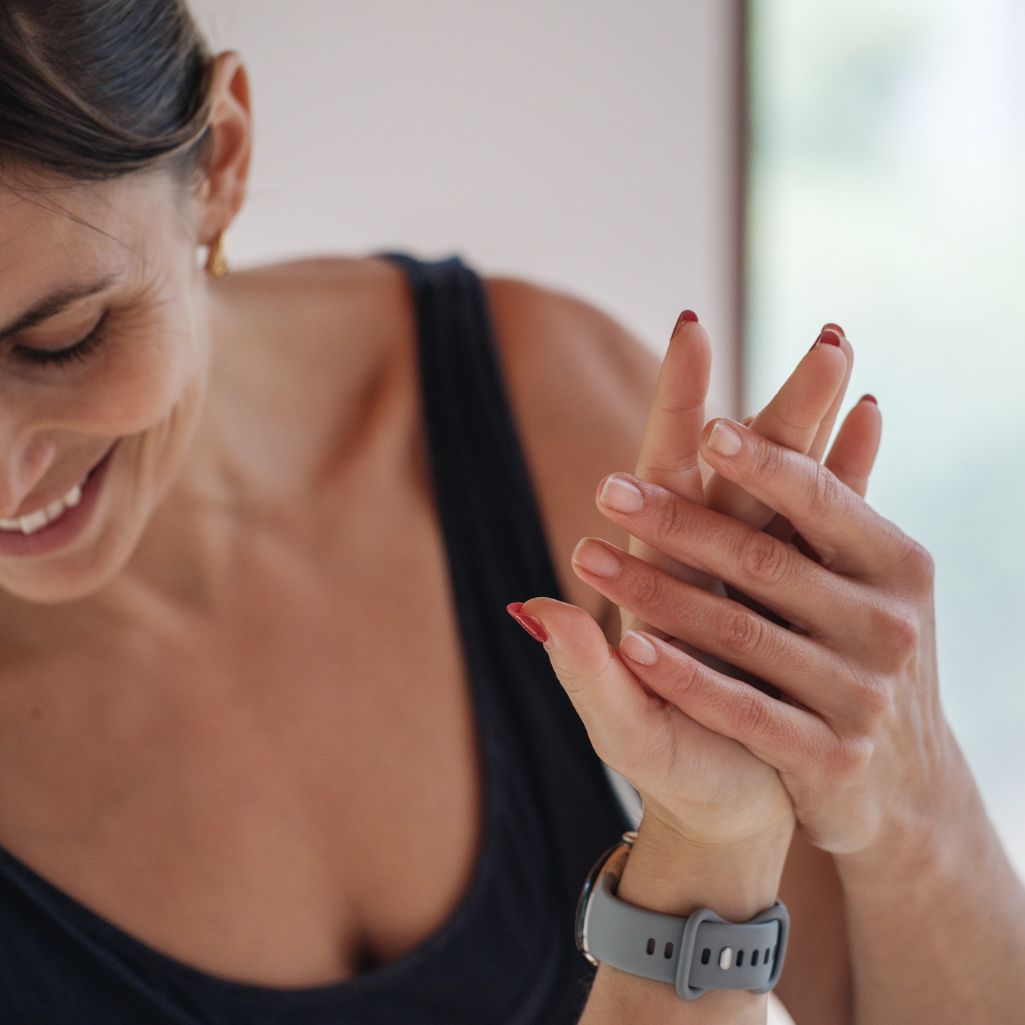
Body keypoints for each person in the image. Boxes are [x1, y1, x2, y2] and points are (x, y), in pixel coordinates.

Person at [0, 3, 1021, 1024]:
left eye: (63, 338)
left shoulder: (540, 409)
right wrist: (698, 865)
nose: (6, 479)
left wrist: (914, 796)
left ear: (220, 161)